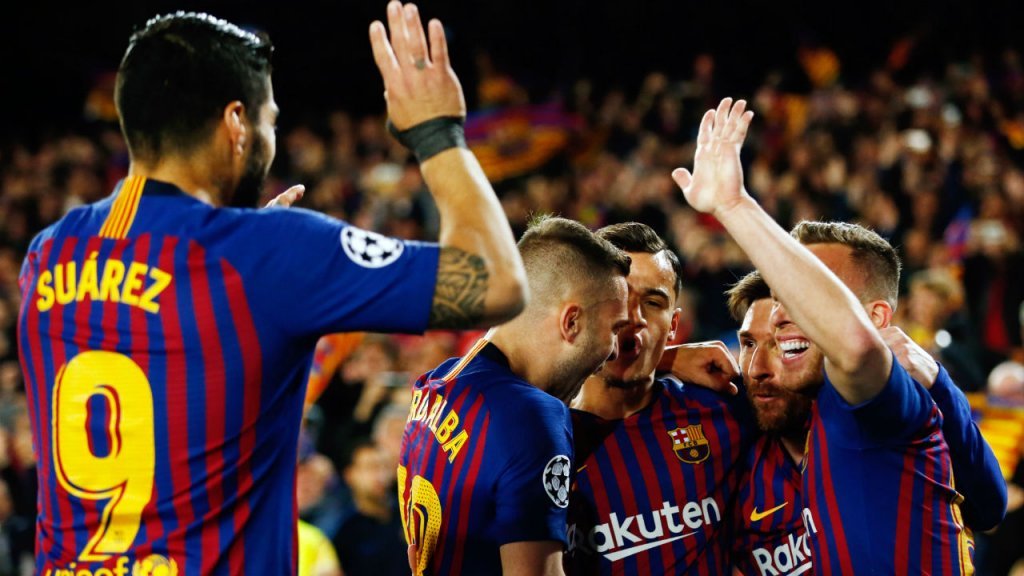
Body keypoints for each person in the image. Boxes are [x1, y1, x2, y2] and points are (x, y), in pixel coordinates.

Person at [16, 3, 527, 574]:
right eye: (270, 120)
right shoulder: (271, 254)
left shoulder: (46, 254)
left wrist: (246, 265)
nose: (270, 137)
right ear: (237, 123)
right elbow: (498, 280)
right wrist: (437, 132)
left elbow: (163, 337)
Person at [673, 98, 1005, 574]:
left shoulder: (883, 400)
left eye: (816, 289)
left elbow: (989, 506)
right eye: (791, 284)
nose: (791, 304)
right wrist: (665, 360)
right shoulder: (775, 410)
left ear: (876, 317)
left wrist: (733, 205)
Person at [726, 271, 1006, 575]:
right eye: (749, 344)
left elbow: (988, 507)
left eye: (784, 344)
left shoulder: (893, 426)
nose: (756, 369)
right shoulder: (730, 455)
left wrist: (938, 383)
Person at [398, 216, 631, 576]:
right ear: (571, 322)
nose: (615, 351)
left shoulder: (435, 383)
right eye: (614, 329)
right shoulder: (531, 417)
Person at [565, 221, 754, 575]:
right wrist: (669, 357)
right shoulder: (542, 439)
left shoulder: (722, 408)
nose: (632, 317)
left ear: (673, 325)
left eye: (652, 302)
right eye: (616, 296)